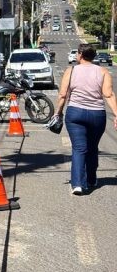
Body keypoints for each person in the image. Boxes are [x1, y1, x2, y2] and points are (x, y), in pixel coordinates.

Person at [53, 43, 117, 195]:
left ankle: (77, 184)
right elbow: (108, 94)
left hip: (75, 113)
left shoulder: (71, 70)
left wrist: (58, 113)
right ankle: (91, 179)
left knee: (79, 148)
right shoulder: (103, 71)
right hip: (97, 115)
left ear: (80, 55)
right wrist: (116, 114)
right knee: (92, 147)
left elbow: (63, 94)